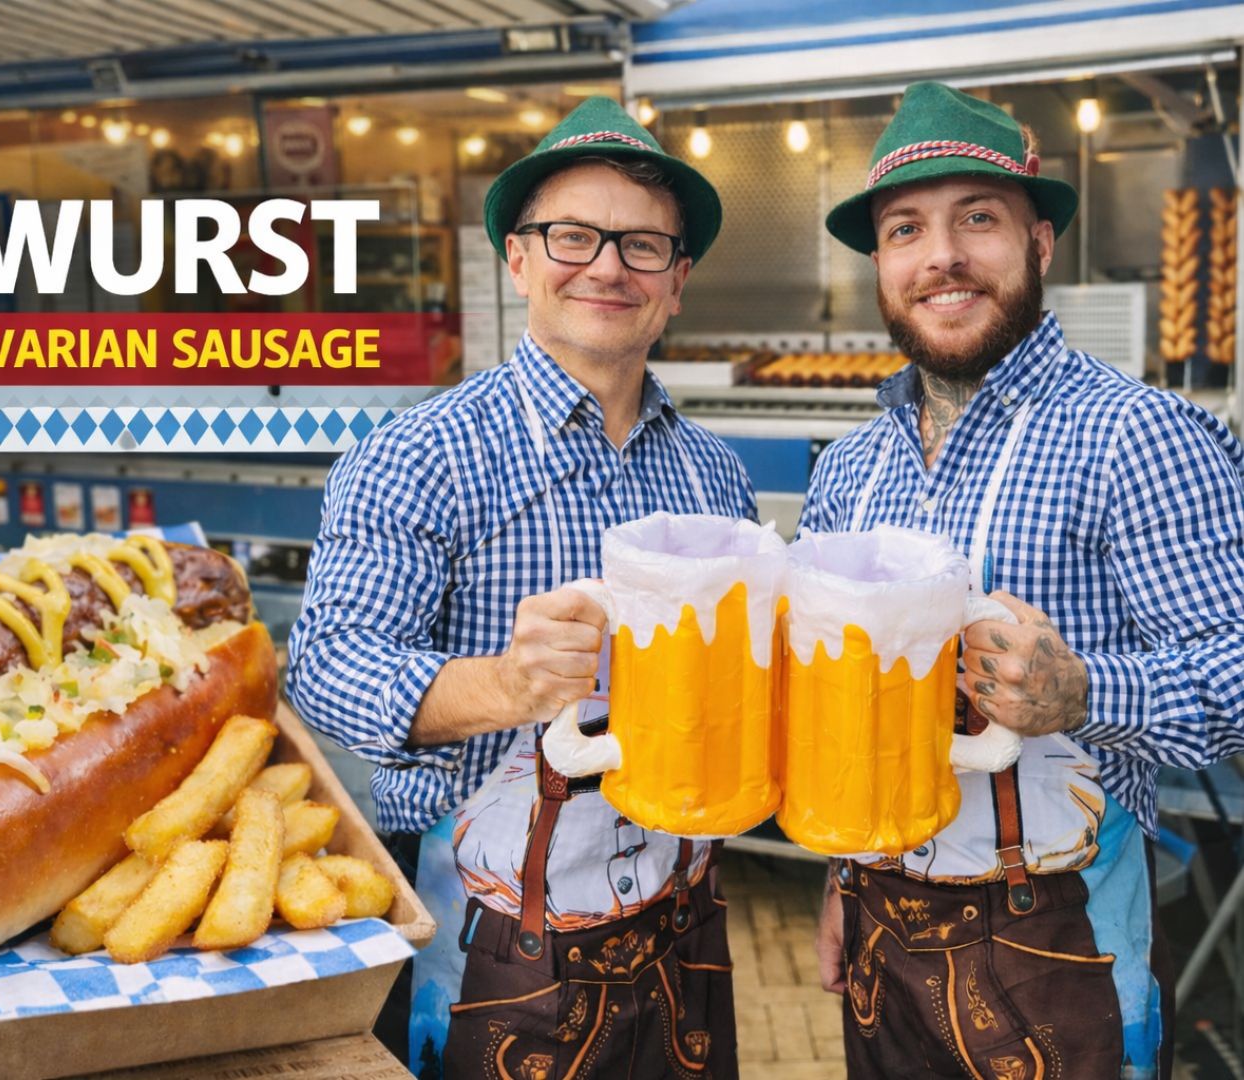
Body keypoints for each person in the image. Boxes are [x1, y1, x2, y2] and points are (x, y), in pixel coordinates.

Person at [287, 97, 756, 1078]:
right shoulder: (420, 452)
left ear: (677, 281)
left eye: (641, 246)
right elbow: (327, 667)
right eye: (572, 236)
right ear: (519, 260)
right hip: (492, 939)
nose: (606, 266)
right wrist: (507, 684)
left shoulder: (714, 473)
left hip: (683, 915)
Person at [803, 81, 1244, 1079]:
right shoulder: (848, 470)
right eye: (906, 227)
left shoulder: (1139, 437)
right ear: (883, 263)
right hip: (880, 932)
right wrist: (839, 882)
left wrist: (1084, 692)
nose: (942, 254)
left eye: (980, 219)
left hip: (1061, 943)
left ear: (1041, 242)